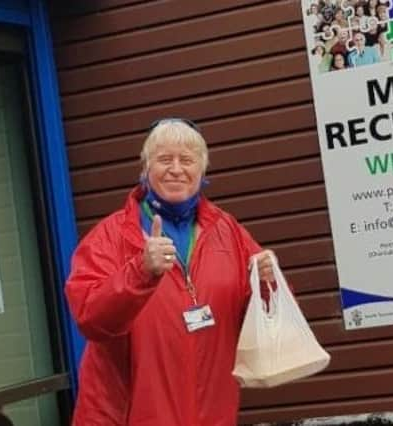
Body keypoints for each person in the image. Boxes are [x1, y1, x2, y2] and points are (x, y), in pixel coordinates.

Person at [65, 119, 278, 426]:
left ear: (202, 171)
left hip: (211, 414)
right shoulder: (108, 238)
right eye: (165, 159)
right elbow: (90, 318)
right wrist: (141, 272)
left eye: (187, 160)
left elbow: (262, 321)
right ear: (145, 169)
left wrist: (268, 284)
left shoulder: (227, 230)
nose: (176, 169)